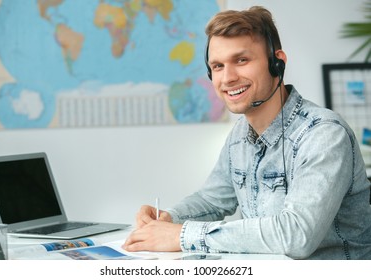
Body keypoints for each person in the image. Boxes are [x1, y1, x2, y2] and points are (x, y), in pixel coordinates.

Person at [122, 6, 371, 259]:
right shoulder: (240, 135)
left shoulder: (324, 135)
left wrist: (182, 235)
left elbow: (296, 235)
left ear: (277, 63)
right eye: (217, 66)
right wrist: (169, 218)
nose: (227, 78)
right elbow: (212, 200)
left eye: (241, 60)